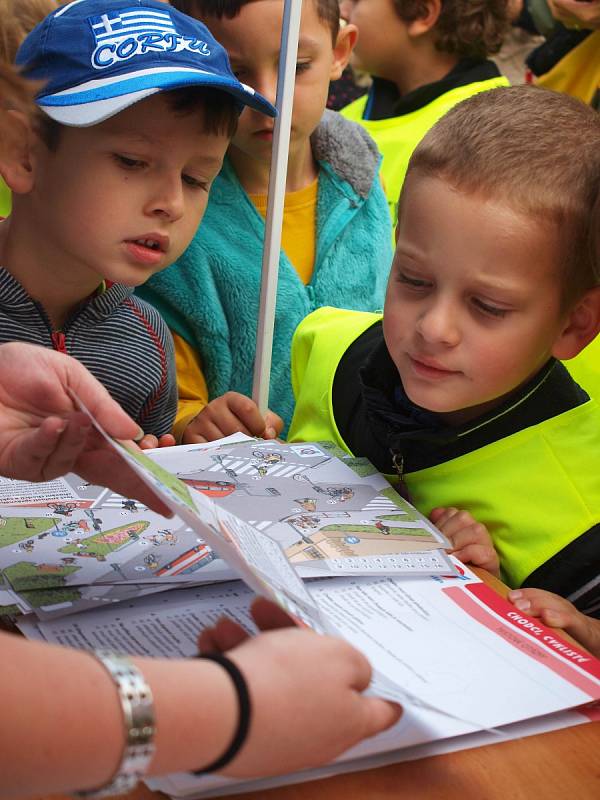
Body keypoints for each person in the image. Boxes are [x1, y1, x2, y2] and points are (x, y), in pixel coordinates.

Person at [287, 86, 600, 612]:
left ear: (573, 326)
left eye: (487, 307)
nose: (434, 328)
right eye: (413, 278)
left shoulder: (581, 517)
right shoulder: (326, 348)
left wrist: (507, 603)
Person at [0, 0, 280, 448]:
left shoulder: (147, 343)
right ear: (22, 152)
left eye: (195, 178)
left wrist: (180, 450)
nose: (171, 203)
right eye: (132, 161)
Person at [138, 0, 393, 440]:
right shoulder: (173, 212)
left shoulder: (364, 180)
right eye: (235, 73)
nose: (269, 98)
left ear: (340, 51)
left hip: (374, 481)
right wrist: (193, 421)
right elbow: (161, 394)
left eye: (296, 66)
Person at [339, 0, 510, 224]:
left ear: (422, 12)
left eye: (356, 0)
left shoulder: (496, 132)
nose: (342, 10)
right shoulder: (342, 120)